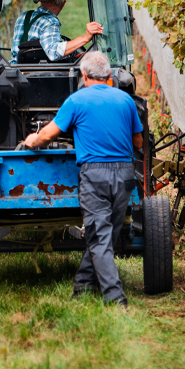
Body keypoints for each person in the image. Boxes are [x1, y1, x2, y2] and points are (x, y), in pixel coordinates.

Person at [23, 51, 143, 306]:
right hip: (124, 173)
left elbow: (47, 136)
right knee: (106, 234)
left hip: (95, 174)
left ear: (83, 76)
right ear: (109, 76)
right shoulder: (126, 100)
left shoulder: (76, 101)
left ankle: (114, 297)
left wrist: (31, 140)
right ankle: (83, 286)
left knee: (100, 236)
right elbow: (138, 141)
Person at [11, 0, 103, 63]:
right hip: (38, 76)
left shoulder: (23, 16)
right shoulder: (50, 21)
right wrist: (85, 38)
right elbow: (53, 53)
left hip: (14, 71)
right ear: (63, 4)